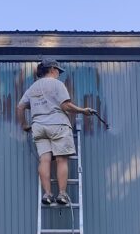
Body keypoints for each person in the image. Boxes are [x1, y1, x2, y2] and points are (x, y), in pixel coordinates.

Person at [16, 58, 95, 205]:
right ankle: (62, 194)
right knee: (61, 159)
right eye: (58, 70)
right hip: (57, 124)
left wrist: (24, 125)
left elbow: (20, 107)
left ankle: (47, 194)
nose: (59, 73)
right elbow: (65, 106)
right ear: (52, 69)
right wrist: (83, 111)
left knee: (44, 160)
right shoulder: (57, 84)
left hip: (39, 127)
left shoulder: (32, 88)